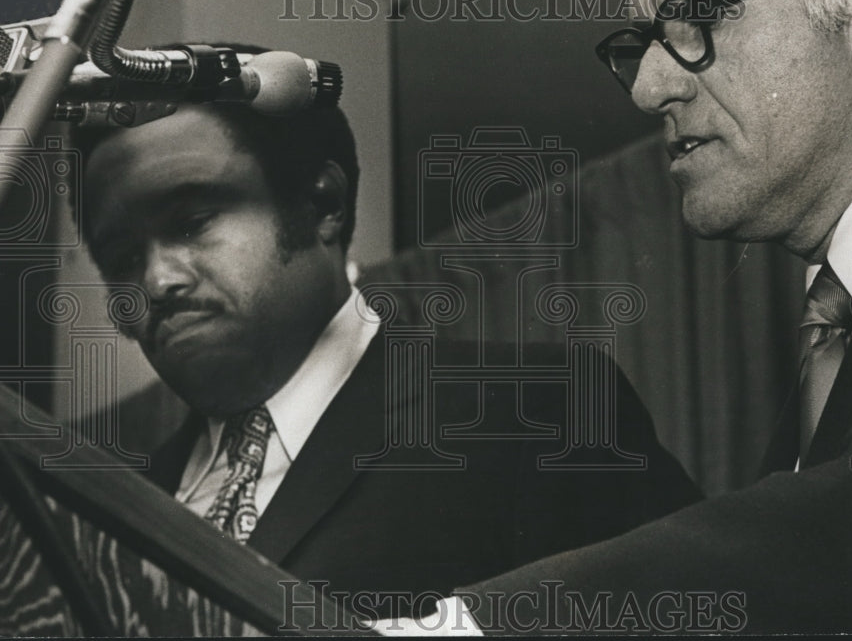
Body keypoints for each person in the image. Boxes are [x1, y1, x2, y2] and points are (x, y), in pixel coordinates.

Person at [382, 0, 852, 635]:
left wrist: (467, 629)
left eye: (698, 17)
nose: (649, 86)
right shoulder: (845, 330)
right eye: (641, 43)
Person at [73, 66, 702, 623]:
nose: (156, 280)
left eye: (192, 222)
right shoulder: (107, 515)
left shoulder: (538, 414)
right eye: (122, 258)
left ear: (323, 204)